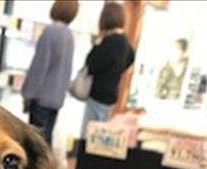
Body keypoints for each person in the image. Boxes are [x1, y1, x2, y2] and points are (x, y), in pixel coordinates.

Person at [21, 0, 79, 146]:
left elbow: (39, 66)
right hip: (56, 98)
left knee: (36, 142)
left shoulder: (50, 32)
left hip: (42, 97)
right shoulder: (70, 36)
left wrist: (28, 95)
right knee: (46, 139)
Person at [80, 1, 135, 137]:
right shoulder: (125, 41)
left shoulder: (108, 42)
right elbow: (131, 57)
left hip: (98, 95)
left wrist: (96, 43)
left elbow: (91, 65)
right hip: (111, 96)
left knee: (89, 135)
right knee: (101, 135)